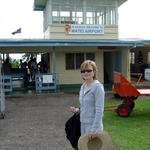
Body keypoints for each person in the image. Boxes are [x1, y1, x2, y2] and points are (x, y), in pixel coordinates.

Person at [70, 60, 105, 150]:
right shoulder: (83, 86)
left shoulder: (98, 87)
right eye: (83, 71)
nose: (86, 73)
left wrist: (93, 130)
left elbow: (99, 111)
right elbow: (85, 107)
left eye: (89, 70)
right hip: (83, 124)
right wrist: (77, 110)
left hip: (93, 127)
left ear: (94, 72)